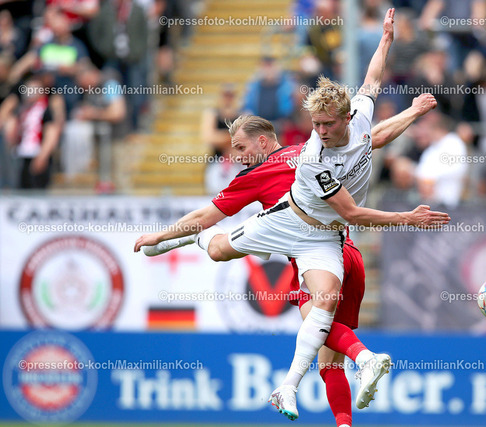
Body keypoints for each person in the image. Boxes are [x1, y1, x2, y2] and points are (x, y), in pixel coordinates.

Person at [135, 8, 450, 422]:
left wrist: (387, 40)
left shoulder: (337, 134)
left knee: (320, 313)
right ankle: (336, 379)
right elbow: (355, 203)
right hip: (302, 228)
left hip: (322, 235)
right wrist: (161, 235)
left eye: (242, 148)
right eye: (315, 124)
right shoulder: (313, 156)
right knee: (220, 253)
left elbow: (372, 106)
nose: (319, 131)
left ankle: (300, 385)